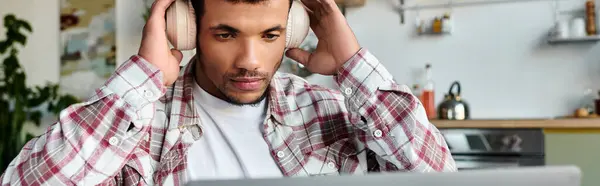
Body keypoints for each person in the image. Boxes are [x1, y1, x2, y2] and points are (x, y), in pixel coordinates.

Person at [0, 0, 457, 185]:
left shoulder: (330, 112)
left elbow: (441, 176)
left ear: (293, 28)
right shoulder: (138, 126)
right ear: (185, 28)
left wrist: (353, 66)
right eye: (225, 35)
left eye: (271, 35)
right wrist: (141, 78)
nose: (250, 61)